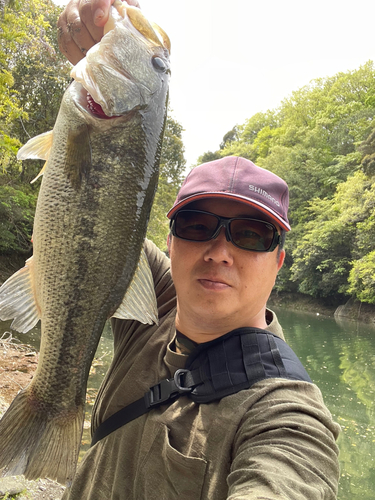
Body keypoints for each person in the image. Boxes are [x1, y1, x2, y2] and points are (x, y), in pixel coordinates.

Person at [58, 2, 341, 499]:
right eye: (196, 223)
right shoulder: (156, 300)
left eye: (251, 233)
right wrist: (103, 48)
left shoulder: (284, 412)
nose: (219, 250)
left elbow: (289, 477)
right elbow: (92, 216)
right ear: (169, 240)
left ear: (278, 259)